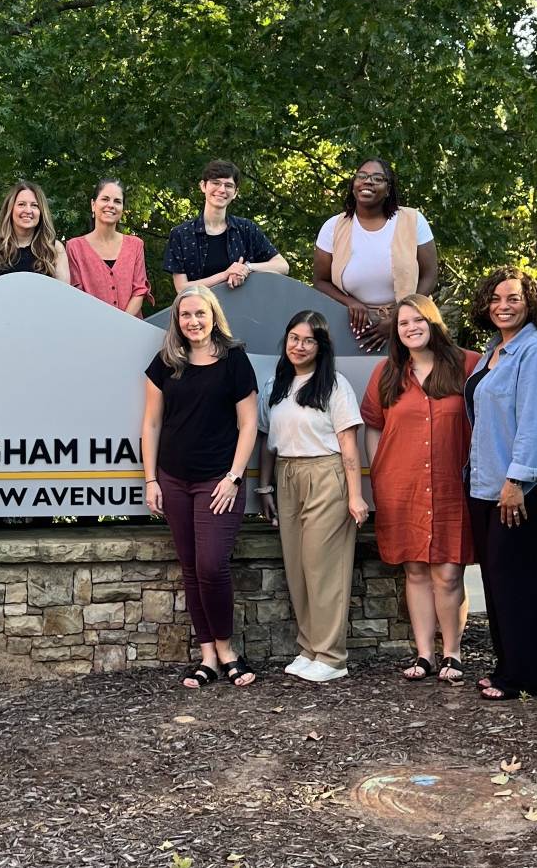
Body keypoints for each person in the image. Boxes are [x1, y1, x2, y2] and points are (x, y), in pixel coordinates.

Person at [141, 285, 258, 688]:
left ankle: (227, 649)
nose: (193, 321)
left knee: (211, 565)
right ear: (177, 320)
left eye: (200, 314)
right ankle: (207, 654)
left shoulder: (234, 360)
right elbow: (152, 423)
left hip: (218, 481)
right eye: (185, 315)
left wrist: (234, 477)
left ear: (213, 315)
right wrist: (151, 479)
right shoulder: (165, 363)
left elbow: (248, 425)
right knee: (191, 569)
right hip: (173, 479)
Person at [360, 295, 478, 683]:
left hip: (450, 486)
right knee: (414, 570)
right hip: (402, 485)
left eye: (418, 320)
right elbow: (373, 425)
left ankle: (453, 653)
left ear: (433, 322)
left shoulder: (467, 365)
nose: (411, 328)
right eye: (403, 323)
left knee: (448, 572)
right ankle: (425, 654)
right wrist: (379, 473)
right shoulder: (387, 373)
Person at [464, 267, 537, 701]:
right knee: (499, 584)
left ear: (532, 305)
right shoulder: (495, 351)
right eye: (496, 298)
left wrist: (517, 480)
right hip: (487, 485)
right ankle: (508, 666)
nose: (503, 305)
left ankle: (527, 677)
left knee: (523, 584)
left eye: (514, 298)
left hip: (525, 490)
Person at [257, 310, 368, 683]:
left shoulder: (334, 385)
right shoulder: (275, 384)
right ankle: (310, 648)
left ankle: (333, 656)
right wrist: (264, 487)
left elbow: (349, 445)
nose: (299, 346)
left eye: (308, 340)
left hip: (326, 475)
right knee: (298, 567)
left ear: (321, 346)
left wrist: (356, 497)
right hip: (287, 476)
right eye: (294, 338)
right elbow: (267, 443)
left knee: (324, 568)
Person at [312, 159, 438, 351]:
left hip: (409, 325)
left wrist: (400, 317)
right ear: (353, 186)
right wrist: (350, 302)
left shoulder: (413, 220)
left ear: (388, 190)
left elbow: (430, 275)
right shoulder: (333, 227)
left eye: (377, 178)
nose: (368, 181)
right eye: (362, 176)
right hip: (350, 326)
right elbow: (321, 281)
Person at [163, 159, 289, 294]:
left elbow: (283, 266)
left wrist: (247, 268)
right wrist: (225, 274)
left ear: (235, 192)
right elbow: (182, 288)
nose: (222, 190)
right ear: (203, 186)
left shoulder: (246, 229)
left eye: (228, 185)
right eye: (216, 183)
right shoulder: (181, 234)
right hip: (200, 311)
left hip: (243, 310)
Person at [66, 178, 152, 316]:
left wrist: (122, 324)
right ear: (93, 205)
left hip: (132, 330)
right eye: (105, 199)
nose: (111, 205)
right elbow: (77, 295)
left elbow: (139, 290)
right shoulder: (74, 247)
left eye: (117, 201)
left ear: (123, 208)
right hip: (91, 329)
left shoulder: (135, 245)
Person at [0, 181, 70, 284]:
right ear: (10, 209)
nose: (28, 210)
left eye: (34, 205)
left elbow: (63, 297)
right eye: (21, 204)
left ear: (41, 212)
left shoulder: (55, 250)